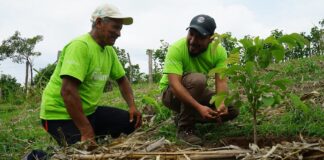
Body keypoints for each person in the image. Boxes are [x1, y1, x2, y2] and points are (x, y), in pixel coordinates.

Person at [39, 3, 142, 147]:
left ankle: (93, 136)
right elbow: (67, 91)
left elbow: (122, 80)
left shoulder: (109, 51)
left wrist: (132, 106)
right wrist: (86, 130)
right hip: (59, 115)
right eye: (116, 27)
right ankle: (36, 156)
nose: (119, 33)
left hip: (89, 112)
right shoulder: (80, 46)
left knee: (131, 123)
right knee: (83, 150)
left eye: (120, 29)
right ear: (99, 22)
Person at [159, 14, 239, 145]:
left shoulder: (219, 52)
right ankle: (185, 129)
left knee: (232, 110)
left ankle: (183, 117)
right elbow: (174, 85)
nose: (192, 41)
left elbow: (221, 81)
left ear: (211, 39)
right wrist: (198, 107)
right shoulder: (176, 48)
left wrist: (221, 103)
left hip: (196, 90)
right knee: (198, 80)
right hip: (170, 94)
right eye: (191, 34)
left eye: (200, 37)